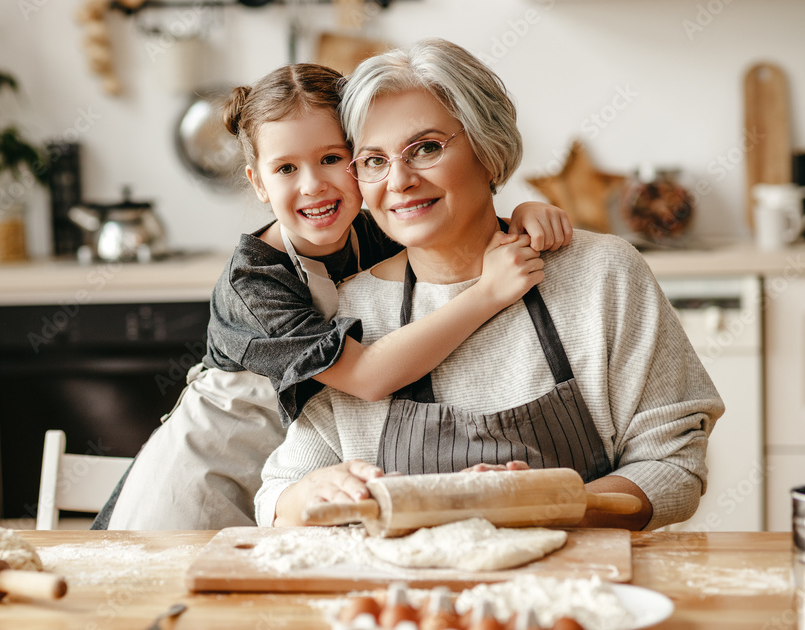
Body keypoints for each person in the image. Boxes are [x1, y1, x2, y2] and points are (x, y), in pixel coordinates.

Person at [257, 39, 724, 532]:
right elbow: (278, 496)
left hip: (582, 594)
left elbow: (674, 465)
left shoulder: (602, 275)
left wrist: (550, 502)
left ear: (489, 150)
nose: (400, 180)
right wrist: (304, 496)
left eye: (428, 148)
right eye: (374, 160)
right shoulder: (352, 309)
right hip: (412, 603)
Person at [97, 63, 572, 531]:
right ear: (259, 182)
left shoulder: (375, 232)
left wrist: (520, 214)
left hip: (297, 465)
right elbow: (367, 376)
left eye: (330, 159)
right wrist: (488, 294)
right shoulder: (253, 284)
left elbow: (456, 223)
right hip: (207, 469)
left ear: (362, 160)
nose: (313, 186)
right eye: (286, 168)